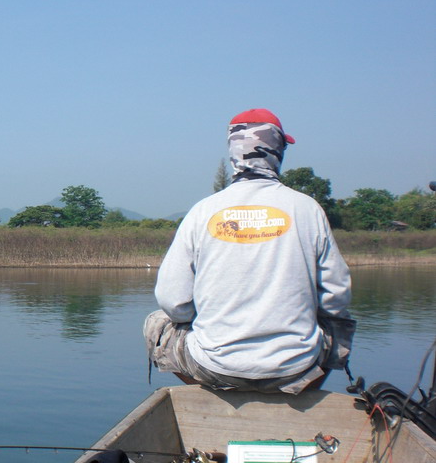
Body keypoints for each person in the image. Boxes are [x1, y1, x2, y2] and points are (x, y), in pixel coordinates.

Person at [143, 108, 355, 394]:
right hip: (295, 368)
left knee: (156, 322)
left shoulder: (203, 211)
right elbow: (336, 298)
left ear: (233, 153)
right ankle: (300, 392)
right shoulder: (307, 208)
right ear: (278, 151)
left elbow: (172, 300)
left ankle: (210, 395)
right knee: (338, 322)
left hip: (213, 366)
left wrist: (206, 321)